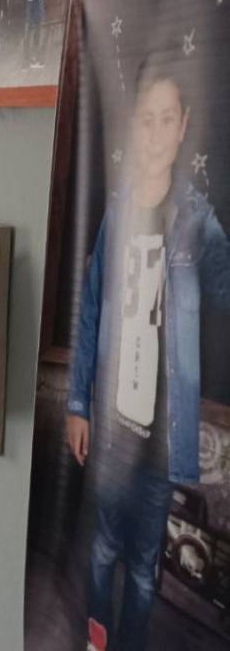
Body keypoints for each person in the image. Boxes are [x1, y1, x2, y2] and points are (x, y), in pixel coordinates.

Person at [65, 54, 230, 651]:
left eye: (168, 120)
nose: (157, 133)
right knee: (105, 545)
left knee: (142, 565)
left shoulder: (197, 220)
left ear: (183, 127)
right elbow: (91, 311)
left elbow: (223, 290)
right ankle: (97, 640)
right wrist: (77, 403)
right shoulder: (118, 216)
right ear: (134, 126)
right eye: (147, 120)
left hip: (163, 440)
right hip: (114, 429)